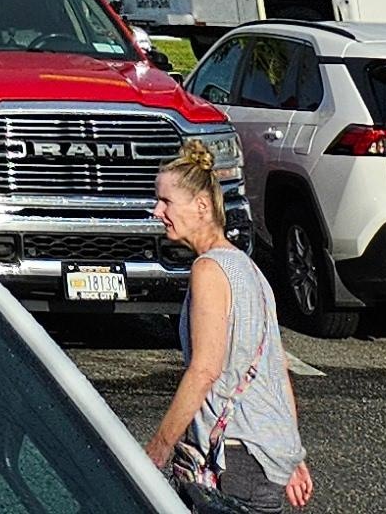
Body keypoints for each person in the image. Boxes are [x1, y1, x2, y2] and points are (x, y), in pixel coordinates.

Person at [145, 141, 313, 511]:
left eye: (166, 201)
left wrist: (158, 448)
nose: (157, 211)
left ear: (202, 206)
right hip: (266, 454)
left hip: (236, 458)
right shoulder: (250, 270)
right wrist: (291, 452)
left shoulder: (209, 270)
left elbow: (205, 369)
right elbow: (274, 368)